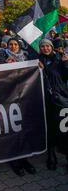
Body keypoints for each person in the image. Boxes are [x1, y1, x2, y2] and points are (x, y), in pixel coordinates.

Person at [0, 37, 36, 176]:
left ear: (19, 46)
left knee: (24, 127)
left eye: (15, 44)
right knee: (12, 127)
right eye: (10, 44)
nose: (13, 46)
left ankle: (24, 159)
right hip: (9, 97)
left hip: (24, 95)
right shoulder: (2, 55)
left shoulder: (25, 56)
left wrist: (39, 65)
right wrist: (4, 65)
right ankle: (14, 159)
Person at [39, 39, 68, 171]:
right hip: (46, 99)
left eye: (47, 46)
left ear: (51, 47)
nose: (45, 48)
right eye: (43, 46)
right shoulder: (37, 60)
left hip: (61, 98)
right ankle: (51, 155)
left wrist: (66, 63)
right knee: (50, 128)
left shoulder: (60, 59)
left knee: (64, 128)